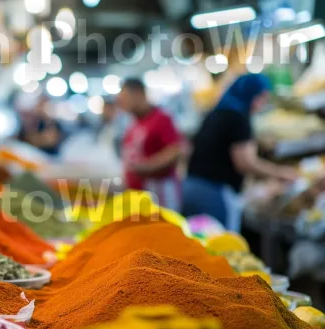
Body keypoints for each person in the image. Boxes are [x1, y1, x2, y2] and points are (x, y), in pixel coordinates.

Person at [183, 74, 297, 232]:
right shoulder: (238, 118)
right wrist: (280, 173)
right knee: (222, 246)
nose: (262, 104)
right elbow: (245, 162)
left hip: (190, 187)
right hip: (214, 193)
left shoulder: (216, 112)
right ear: (251, 94)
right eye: (261, 97)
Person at [118, 78, 184, 210]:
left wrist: (147, 167)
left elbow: (175, 150)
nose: (121, 103)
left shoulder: (161, 119)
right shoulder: (134, 123)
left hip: (159, 192)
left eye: (124, 97)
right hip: (139, 195)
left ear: (138, 94)